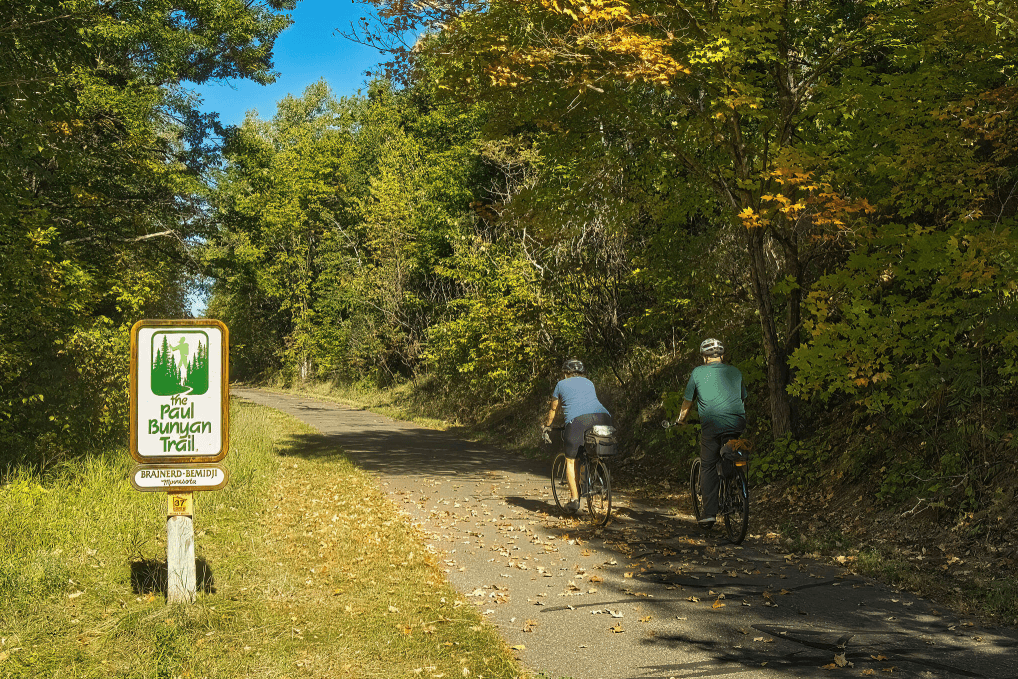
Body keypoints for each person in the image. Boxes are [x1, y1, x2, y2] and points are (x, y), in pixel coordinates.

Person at [674, 338, 747, 527]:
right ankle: (734, 483)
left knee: (707, 465)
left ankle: (709, 514)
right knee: (730, 450)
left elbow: (688, 402)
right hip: (737, 421)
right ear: (722, 356)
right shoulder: (735, 371)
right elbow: (742, 398)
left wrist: (681, 420)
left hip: (711, 424)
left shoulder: (698, 372)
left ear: (704, 357)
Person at [541, 359, 612, 514]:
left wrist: (548, 425)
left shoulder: (561, 384)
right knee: (592, 450)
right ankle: (599, 477)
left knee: (571, 459)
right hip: (603, 416)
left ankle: (574, 500)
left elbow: (553, 409)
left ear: (566, 373)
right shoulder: (589, 383)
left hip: (578, 421)